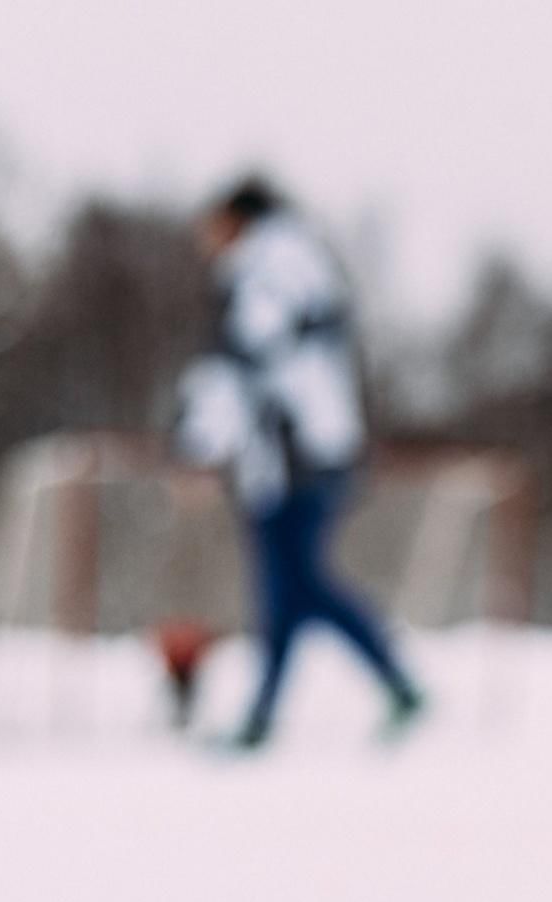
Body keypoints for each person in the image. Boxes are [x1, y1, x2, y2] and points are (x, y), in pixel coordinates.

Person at [175, 176, 421, 748]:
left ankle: (394, 683)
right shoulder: (303, 263)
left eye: (214, 226)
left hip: (292, 458)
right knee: (286, 590)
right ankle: (265, 715)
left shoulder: (259, 273)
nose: (208, 240)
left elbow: (240, 370)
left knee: (297, 586)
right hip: (320, 451)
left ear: (237, 219)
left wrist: (196, 443)